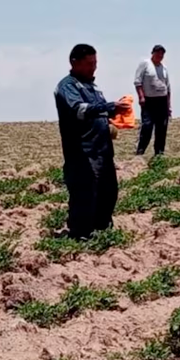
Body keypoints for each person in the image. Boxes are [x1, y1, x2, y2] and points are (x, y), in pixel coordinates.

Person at [54, 44, 130, 240]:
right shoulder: (68, 86)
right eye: (89, 64)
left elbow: (98, 112)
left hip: (102, 151)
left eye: (95, 63)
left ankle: (102, 231)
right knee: (85, 194)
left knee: (108, 193)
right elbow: (80, 110)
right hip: (83, 154)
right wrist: (110, 107)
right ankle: (81, 235)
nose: (93, 68)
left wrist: (112, 121)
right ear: (74, 62)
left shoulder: (93, 87)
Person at [134, 45, 171, 157]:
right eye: (158, 53)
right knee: (147, 126)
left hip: (162, 101)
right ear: (153, 53)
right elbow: (137, 82)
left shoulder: (164, 68)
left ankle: (159, 153)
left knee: (162, 127)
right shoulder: (145, 64)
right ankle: (140, 151)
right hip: (149, 101)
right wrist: (141, 97)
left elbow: (168, 88)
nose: (160, 56)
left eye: (162, 54)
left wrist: (169, 106)